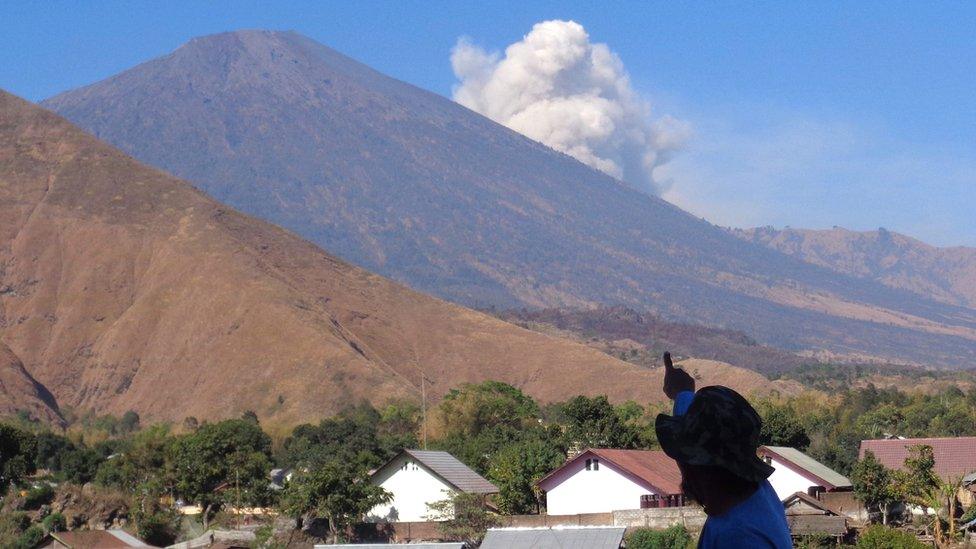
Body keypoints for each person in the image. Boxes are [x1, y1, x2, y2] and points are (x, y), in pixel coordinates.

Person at [656, 352, 793, 548]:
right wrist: (682, 391)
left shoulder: (739, 538)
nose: (682, 467)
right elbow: (701, 425)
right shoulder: (757, 489)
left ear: (703, 466)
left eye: (686, 456)